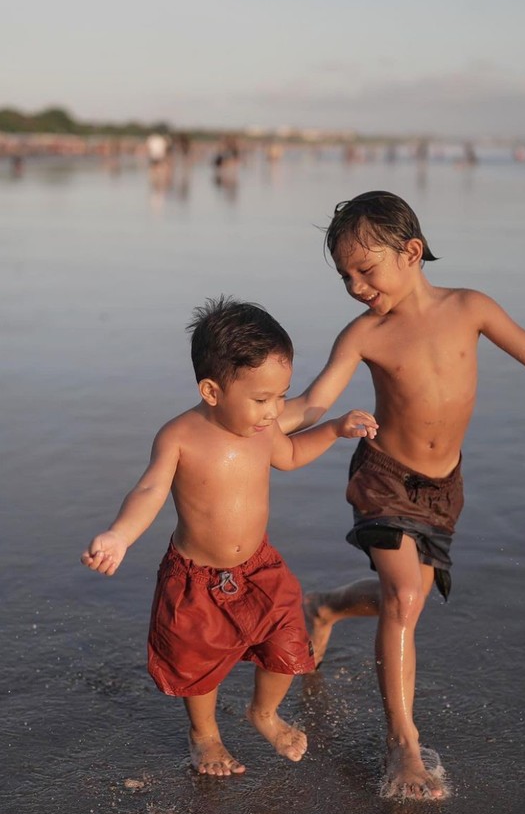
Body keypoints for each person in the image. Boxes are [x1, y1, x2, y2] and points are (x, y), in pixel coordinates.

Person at [279, 190, 525, 801]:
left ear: (411, 252)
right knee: (404, 597)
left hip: (443, 488)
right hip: (383, 478)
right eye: (345, 276)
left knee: (407, 599)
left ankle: (326, 607)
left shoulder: (469, 307)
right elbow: (315, 402)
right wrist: (254, 416)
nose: (355, 287)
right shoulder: (364, 335)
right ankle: (403, 744)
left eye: (365, 270)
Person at [81, 296, 377, 778]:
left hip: (260, 567)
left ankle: (264, 713)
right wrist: (119, 535)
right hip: (195, 578)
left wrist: (333, 430)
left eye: (281, 396)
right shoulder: (179, 436)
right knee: (196, 662)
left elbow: (291, 455)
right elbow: (150, 491)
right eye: (262, 399)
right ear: (212, 391)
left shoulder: (262, 429)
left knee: (287, 642)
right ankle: (205, 735)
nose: (273, 411)